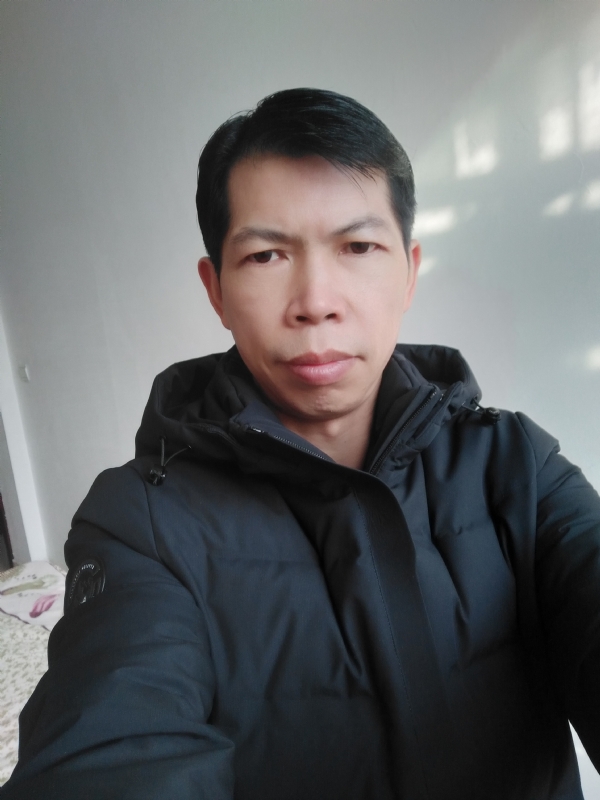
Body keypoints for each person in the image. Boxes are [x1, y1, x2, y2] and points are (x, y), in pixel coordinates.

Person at [1, 88, 600, 800]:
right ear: (216, 290)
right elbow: (109, 745)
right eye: (266, 255)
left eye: (358, 247)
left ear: (409, 271)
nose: (316, 301)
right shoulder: (139, 524)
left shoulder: (516, 465)